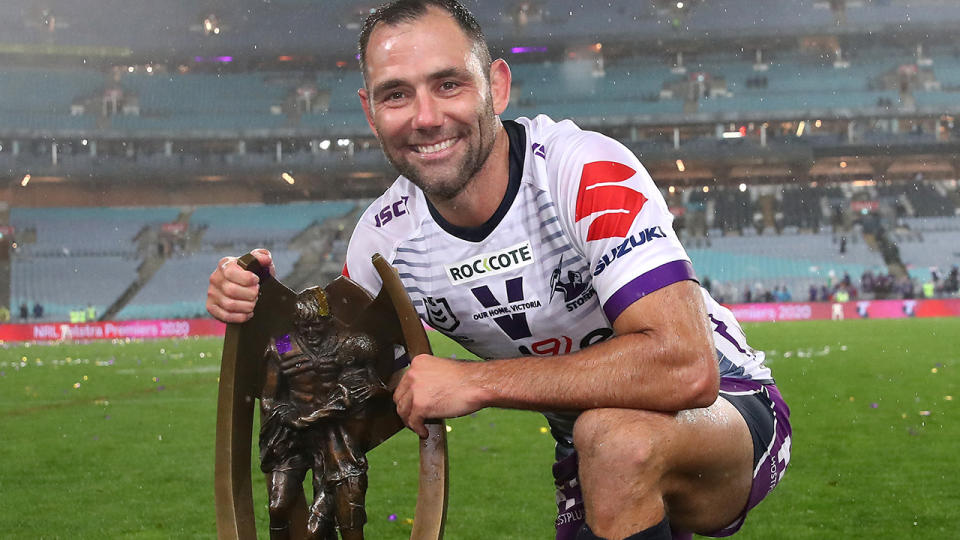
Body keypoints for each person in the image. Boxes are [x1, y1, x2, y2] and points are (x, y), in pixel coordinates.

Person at [206, 2, 791, 539]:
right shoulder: (383, 239)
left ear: (498, 86)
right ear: (370, 111)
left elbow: (687, 368)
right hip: (585, 444)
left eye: (449, 84)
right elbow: (341, 377)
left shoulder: (582, 170)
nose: (426, 117)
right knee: (603, 441)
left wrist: (476, 381)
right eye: (396, 95)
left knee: (615, 440)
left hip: (723, 411)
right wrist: (261, 313)